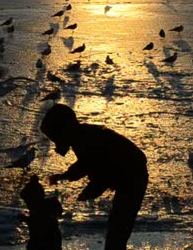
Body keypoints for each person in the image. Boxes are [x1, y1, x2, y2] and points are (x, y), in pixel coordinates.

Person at [40, 104, 148, 250]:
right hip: (126, 174)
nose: (56, 143)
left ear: (65, 130)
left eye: (56, 138)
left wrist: (91, 191)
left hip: (133, 176)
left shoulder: (87, 139)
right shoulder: (81, 136)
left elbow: (100, 169)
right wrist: (65, 176)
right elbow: (85, 164)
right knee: (117, 227)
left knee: (119, 228)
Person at [19, 175, 62, 250]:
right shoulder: (48, 205)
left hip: (44, 243)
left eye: (27, 201)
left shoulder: (39, 208)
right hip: (51, 242)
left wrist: (26, 219)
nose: (27, 204)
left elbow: (40, 223)